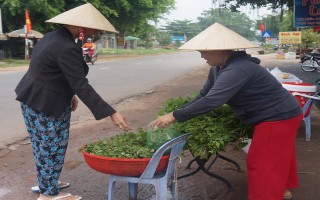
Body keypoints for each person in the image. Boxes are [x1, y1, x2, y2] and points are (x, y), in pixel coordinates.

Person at [149, 23, 302, 200]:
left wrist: (174, 116)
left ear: (219, 50)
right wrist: (176, 113)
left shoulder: (239, 68)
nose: (202, 56)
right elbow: (204, 95)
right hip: (279, 114)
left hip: (277, 117)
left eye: (204, 52)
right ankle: (283, 189)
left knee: (262, 162)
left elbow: (213, 101)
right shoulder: (218, 69)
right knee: (279, 155)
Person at [15, 3, 130, 200]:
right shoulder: (67, 47)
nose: (96, 33)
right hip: (45, 104)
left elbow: (52, 71)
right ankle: (48, 194)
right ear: (81, 27)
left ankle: (47, 181)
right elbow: (80, 84)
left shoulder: (53, 36)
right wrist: (111, 112)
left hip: (31, 97)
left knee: (41, 145)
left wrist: (69, 94)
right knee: (52, 146)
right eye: (94, 29)